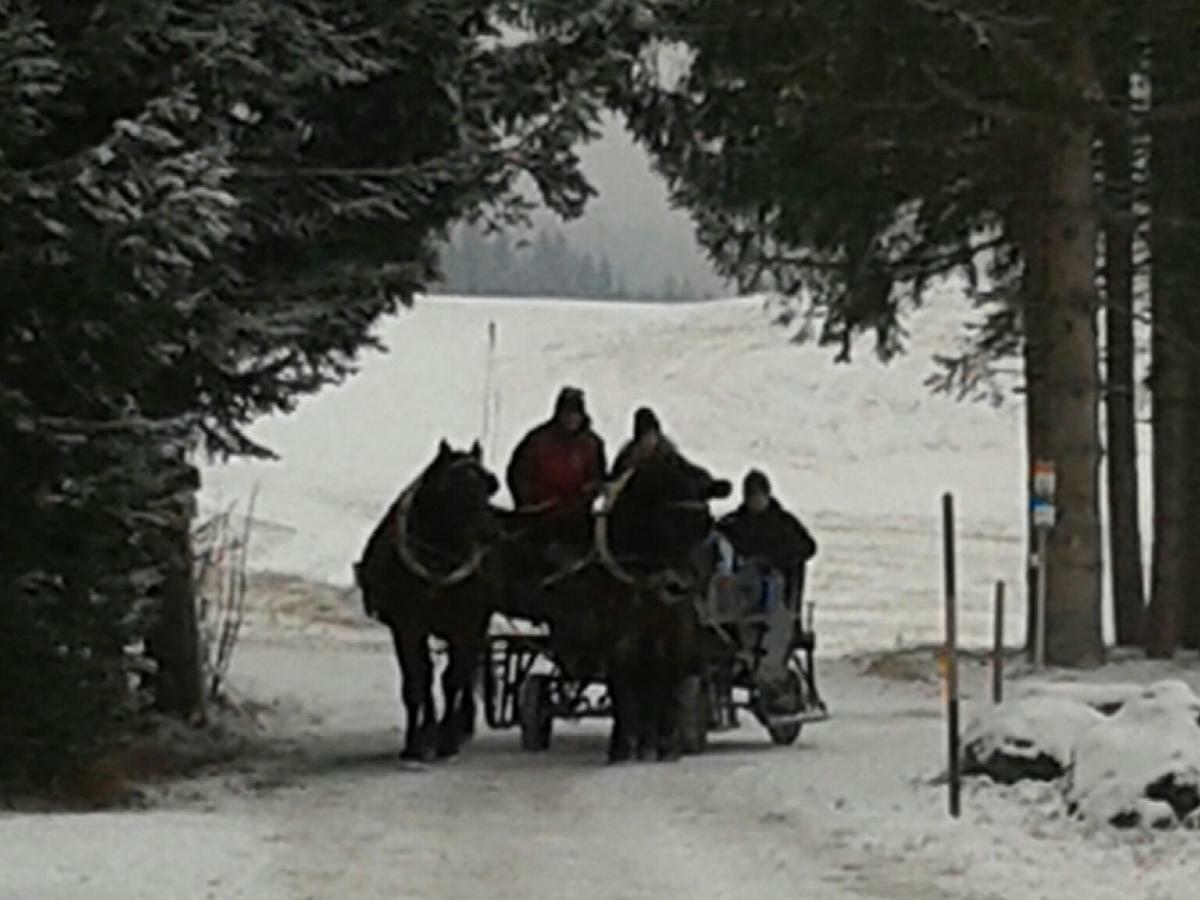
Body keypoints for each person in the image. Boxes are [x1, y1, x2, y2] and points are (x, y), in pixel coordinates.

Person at [506, 386, 607, 528]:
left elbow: (598, 478)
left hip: (577, 517)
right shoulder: (538, 441)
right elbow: (518, 473)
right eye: (566, 413)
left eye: (575, 414)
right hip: (540, 515)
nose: (570, 419)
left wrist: (589, 493)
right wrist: (529, 502)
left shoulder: (592, 445)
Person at [717, 469, 817, 601]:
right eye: (750, 496)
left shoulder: (784, 523)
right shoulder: (734, 522)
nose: (754, 501)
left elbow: (808, 547)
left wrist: (775, 559)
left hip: (777, 590)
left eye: (757, 495)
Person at [611, 406, 732, 499]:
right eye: (645, 437)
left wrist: (708, 484)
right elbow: (615, 483)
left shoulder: (668, 456)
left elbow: (688, 471)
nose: (649, 442)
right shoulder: (629, 458)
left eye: (652, 435)